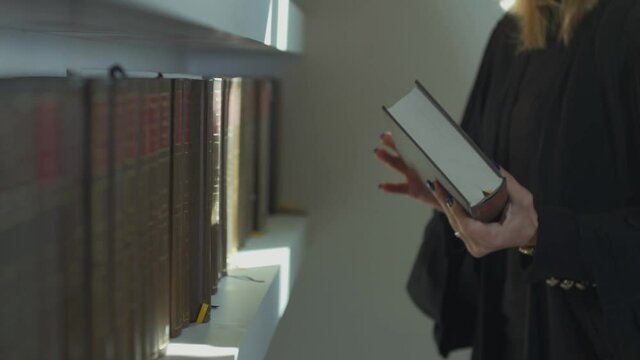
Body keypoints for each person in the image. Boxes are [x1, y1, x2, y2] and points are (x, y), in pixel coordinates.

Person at [375, 0, 640, 359]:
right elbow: (496, 183)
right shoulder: (510, 37)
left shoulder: (627, 25)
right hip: (507, 335)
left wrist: (542, 235)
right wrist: (451, 198)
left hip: (586, 342)